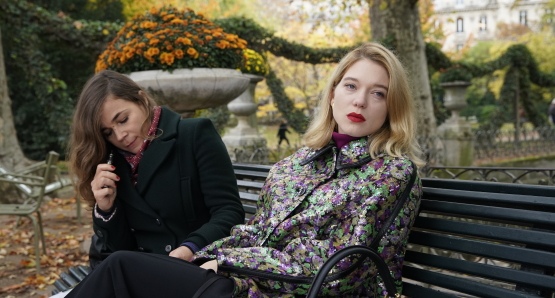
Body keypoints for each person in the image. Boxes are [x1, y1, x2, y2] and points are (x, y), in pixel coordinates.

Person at [64, 42, 424, 298]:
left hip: (277, 288)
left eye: (378, 93)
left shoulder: (391, 174)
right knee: (122, 272)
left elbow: (344, 267)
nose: (360, 100)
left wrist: (225, 262)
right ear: (332, 95)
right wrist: (208, 257)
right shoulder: (294, 165)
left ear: (392, 106)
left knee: (122, 269)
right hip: (241, 283)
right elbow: (253, 232)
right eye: (350, 86)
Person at [67, 70, 245, 265]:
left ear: (141, 99)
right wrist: (106, 209)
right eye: (108, 132)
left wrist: (191, 247)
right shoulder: (112, 165)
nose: (119, 136)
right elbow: (120, 248)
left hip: (197, 266)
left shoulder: (193, 135)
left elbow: (229, 211)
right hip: (141, 272)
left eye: (123, 120)